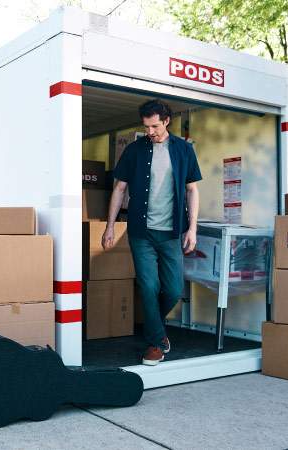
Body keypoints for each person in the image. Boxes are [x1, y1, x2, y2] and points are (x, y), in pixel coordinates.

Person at [102, 98, 202, 366]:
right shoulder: (135, 150)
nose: (150, 132)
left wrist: (192, 228)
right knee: (148, 286)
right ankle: (156, 342)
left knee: (172, 289)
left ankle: (154, 327)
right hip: (141, 232)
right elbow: (119, 189)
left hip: (172, 232)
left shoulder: (183, 150)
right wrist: (110, 226)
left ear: (167, 121)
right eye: (146, 127)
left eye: (155, 126)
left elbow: (192, 190)